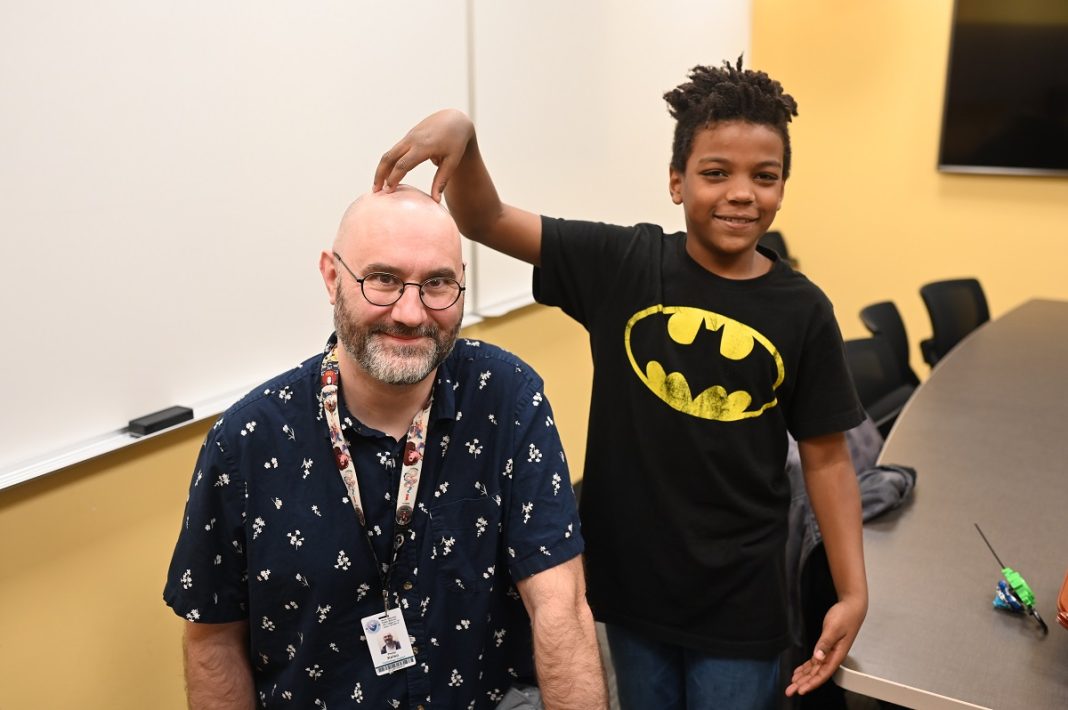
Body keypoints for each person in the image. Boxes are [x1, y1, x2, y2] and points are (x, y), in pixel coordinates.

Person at [373, 57, 868, 709]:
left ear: (783, 186)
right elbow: (486, 219)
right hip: (632, 594)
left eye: (764, 177)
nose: (742, 193)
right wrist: (463, 136)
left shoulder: (803, 310)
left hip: (741, 602)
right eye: (716, 173)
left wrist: (852, 591)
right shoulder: (622, 265)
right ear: (676, 180)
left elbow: (827, 456)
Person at [163, 186, 607, 709]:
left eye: (438, 283)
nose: (411, 313)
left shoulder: (506, 397)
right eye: (383, 280)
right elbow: (214, 638)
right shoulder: (246, 442)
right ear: (332, 278)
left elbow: (561, 606)